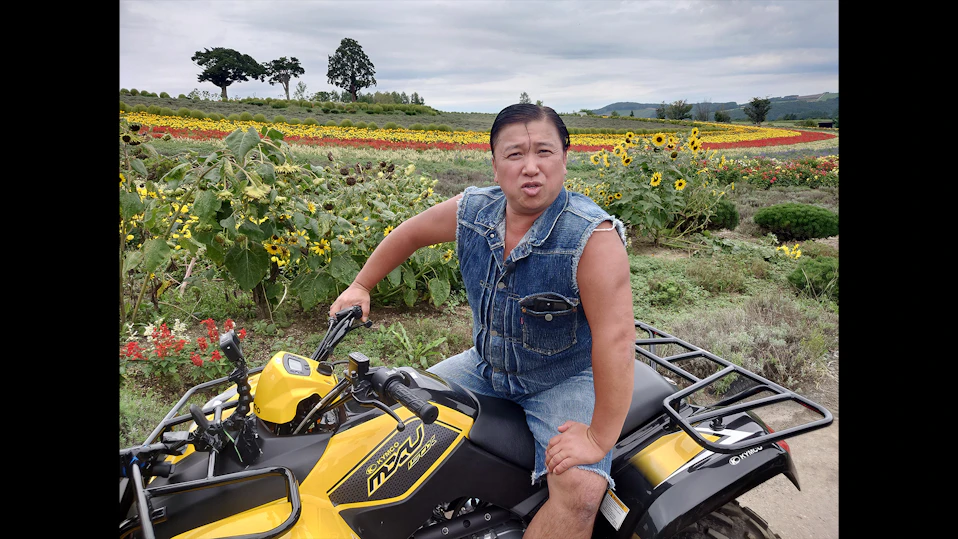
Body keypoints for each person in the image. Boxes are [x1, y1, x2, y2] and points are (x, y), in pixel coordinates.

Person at [328, 103, 635, 538]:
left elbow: (617, 340)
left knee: (581, 490)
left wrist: (599, 437)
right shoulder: (474, 212)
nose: (531, 167)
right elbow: (410, 233)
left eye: (544, 152)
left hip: (564, 379)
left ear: (565, 158)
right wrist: (361, 285)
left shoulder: (591, 238)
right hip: (485, 367)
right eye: (514, 154)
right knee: (395, 420)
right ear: (495, 166)